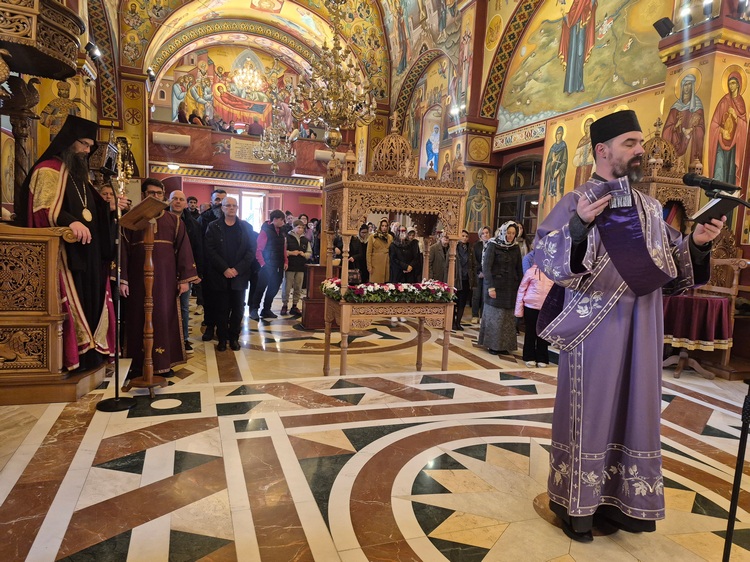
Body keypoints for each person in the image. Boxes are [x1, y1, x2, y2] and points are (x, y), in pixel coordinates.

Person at [534, 109, 724, 542]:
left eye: (640, 143)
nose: (641, 151)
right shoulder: (577, 201)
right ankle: (576, 507)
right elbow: (546, 255)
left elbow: (672, 272)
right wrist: (579, 226)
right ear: (602, 150)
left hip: (643, 330)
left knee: (635, 410)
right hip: (594, 332)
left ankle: (624, 503)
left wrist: (696, 244)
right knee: (591, 412)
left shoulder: (652, 209)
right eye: (631, 143)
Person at [21, 115, 125, 370]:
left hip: (88, 252)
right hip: (65, 254)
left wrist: (110, 208)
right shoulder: (48, 169)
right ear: (69, 141)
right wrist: (71, 223)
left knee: (91, 300)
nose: (87, 151)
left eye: (90, 146)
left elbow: (92, 211)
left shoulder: (79, 175)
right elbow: (42, 209)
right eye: (84, 144)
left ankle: (92, 355)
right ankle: (75, 357)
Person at [120, 179, 199, 378]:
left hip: (166, 282)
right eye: (150, 193)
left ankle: (164, 363)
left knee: (165, 318)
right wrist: (123, 279)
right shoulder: (131, 220)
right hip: (138, 282)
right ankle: (137, 365)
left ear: (163, 196)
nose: (155, 197)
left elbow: (184, 250)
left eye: (158, 193)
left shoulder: (174, 221)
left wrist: (184, 279)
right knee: (137, 318)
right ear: (143, 195)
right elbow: (123, 251)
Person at [204, 197, 255, 351]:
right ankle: (222, 339)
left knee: (238, 310)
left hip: (239, 276)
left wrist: (237, 269)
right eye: (228, 205)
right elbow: (210, 250)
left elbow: (251, 251)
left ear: (237, 208)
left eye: (234, 205)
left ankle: (234, 338)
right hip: (220, 275)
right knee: (221, 310)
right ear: (222, 208)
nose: (231, 208)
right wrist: (225, 269)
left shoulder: (246, 227)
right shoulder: (213, 226)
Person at [477, 222, 522, 355]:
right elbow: (486, 267)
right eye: (508, 233)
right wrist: (490, 287)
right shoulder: (493, 244)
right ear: (503, 232)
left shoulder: (515, 247)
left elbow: (519, 268)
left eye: (513, 233)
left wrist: (520, 287)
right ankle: (493, 345)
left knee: (507, 318)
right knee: (496, 317)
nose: (510, 236)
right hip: (495, 286)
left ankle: (505, 346)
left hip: (510, 288)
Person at [168, 190, 203, 355]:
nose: (177, 202)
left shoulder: (193, 224)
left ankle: (184, 339)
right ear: (169, 201)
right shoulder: (159, 219)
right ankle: (166, 337)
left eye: (181, 199)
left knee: (183, 306)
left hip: (185, 270)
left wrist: (196, 272)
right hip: (164, 269)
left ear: (185, 204)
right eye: (174, 198)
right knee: (164, 305)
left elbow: (197, 249)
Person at [514, 250, 553, 367]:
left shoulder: (552, 273)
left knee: (543, 333)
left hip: (545, 308)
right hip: (530, 307)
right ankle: (529, 356)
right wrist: (518, 310)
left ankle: (542, 358)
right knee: (530, 332)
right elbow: (521, 290)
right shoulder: (530, 272)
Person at [198, 189, 227, 341]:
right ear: (212, 202)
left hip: (227, 268)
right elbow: (198, 243)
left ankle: (223, 327)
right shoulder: (203, 219)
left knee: (225, 300)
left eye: (222, 199)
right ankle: (209, 326)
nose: (220, 202)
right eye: (217, 199)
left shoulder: (232, 219)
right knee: (209, 300)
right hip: (208, 267)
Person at [709, 71, 747, 186]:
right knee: (719, 167)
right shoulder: (724, 101)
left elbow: (744, 125)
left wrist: (735, 116)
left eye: (733, 83)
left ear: (738, 85)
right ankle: (717, 189)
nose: (731, 86)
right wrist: (722, 131)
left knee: (731, 169)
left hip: (735, 142)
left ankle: (730, 191)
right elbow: (714, 123)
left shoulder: (741, 102)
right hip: (722, 141)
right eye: (730, 83)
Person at [662, 73, 705, 170]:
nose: (687, 87)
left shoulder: (697, 105)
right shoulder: (675, 107)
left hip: (689, 144)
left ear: (693, 86)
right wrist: (675, 126)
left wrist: (692, 130)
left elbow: (701, 128)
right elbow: (666, 130)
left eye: (689, 84)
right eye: (685, 84)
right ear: (682, 87)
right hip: (676, 143)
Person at [249, 209, 287, 321]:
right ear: (275, 219)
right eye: (281, 220)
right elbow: (258, 249)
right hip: (267, 265)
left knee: (274, 288)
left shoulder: (282, 231)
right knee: (260, 288)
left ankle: (266, 309)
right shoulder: (265, 231)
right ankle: (254, 309)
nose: (283, 222)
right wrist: (263, 264)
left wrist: (286, 261)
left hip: (279, 265)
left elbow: (284, 248)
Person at [281, 219, 311, 316]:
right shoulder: (287, 238)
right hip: (290, 266)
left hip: (300, 266)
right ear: (293, 228)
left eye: (302, 228)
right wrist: (291, 253)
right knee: (287, 286)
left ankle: (294, 305)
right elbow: (283, 251)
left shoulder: (305, 240)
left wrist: (304, 254)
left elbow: (309, 252)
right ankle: (285, 305)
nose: (300, 229)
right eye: (298, 227)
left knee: (298, 287)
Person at [454, 229, 476, 331]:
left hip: (466, 278)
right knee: (454, 301)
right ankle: (452, 322)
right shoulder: (455, 247)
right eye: (463, 236)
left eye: (466, 236)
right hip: (456, 278)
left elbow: (473, 264)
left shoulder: (470, 249)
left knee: (462, 302)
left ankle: (458, 322)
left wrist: (473, 277)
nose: (464, 238)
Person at [470, 225, 491, 324]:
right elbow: (474, 260)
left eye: (487, 233)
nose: (485, 235)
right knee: (476, 295)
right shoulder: (476, 246)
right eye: (483, 233)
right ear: (480, 235)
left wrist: (486, 272)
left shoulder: (492, 246)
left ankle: (483, 315)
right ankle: (475, 315)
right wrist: (479, 271)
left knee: (484, 295)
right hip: (478, 274)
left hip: (488, 274)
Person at [366, 218, 392, 283]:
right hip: (375, 264)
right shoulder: (373, 237)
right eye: (382, 226)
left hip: (386, 262)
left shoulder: (390, 237)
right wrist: (369, 266)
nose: (384, 228)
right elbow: (368, 252)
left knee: (386, 284)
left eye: (386, 226)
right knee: (375, 284)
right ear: (379, 226)